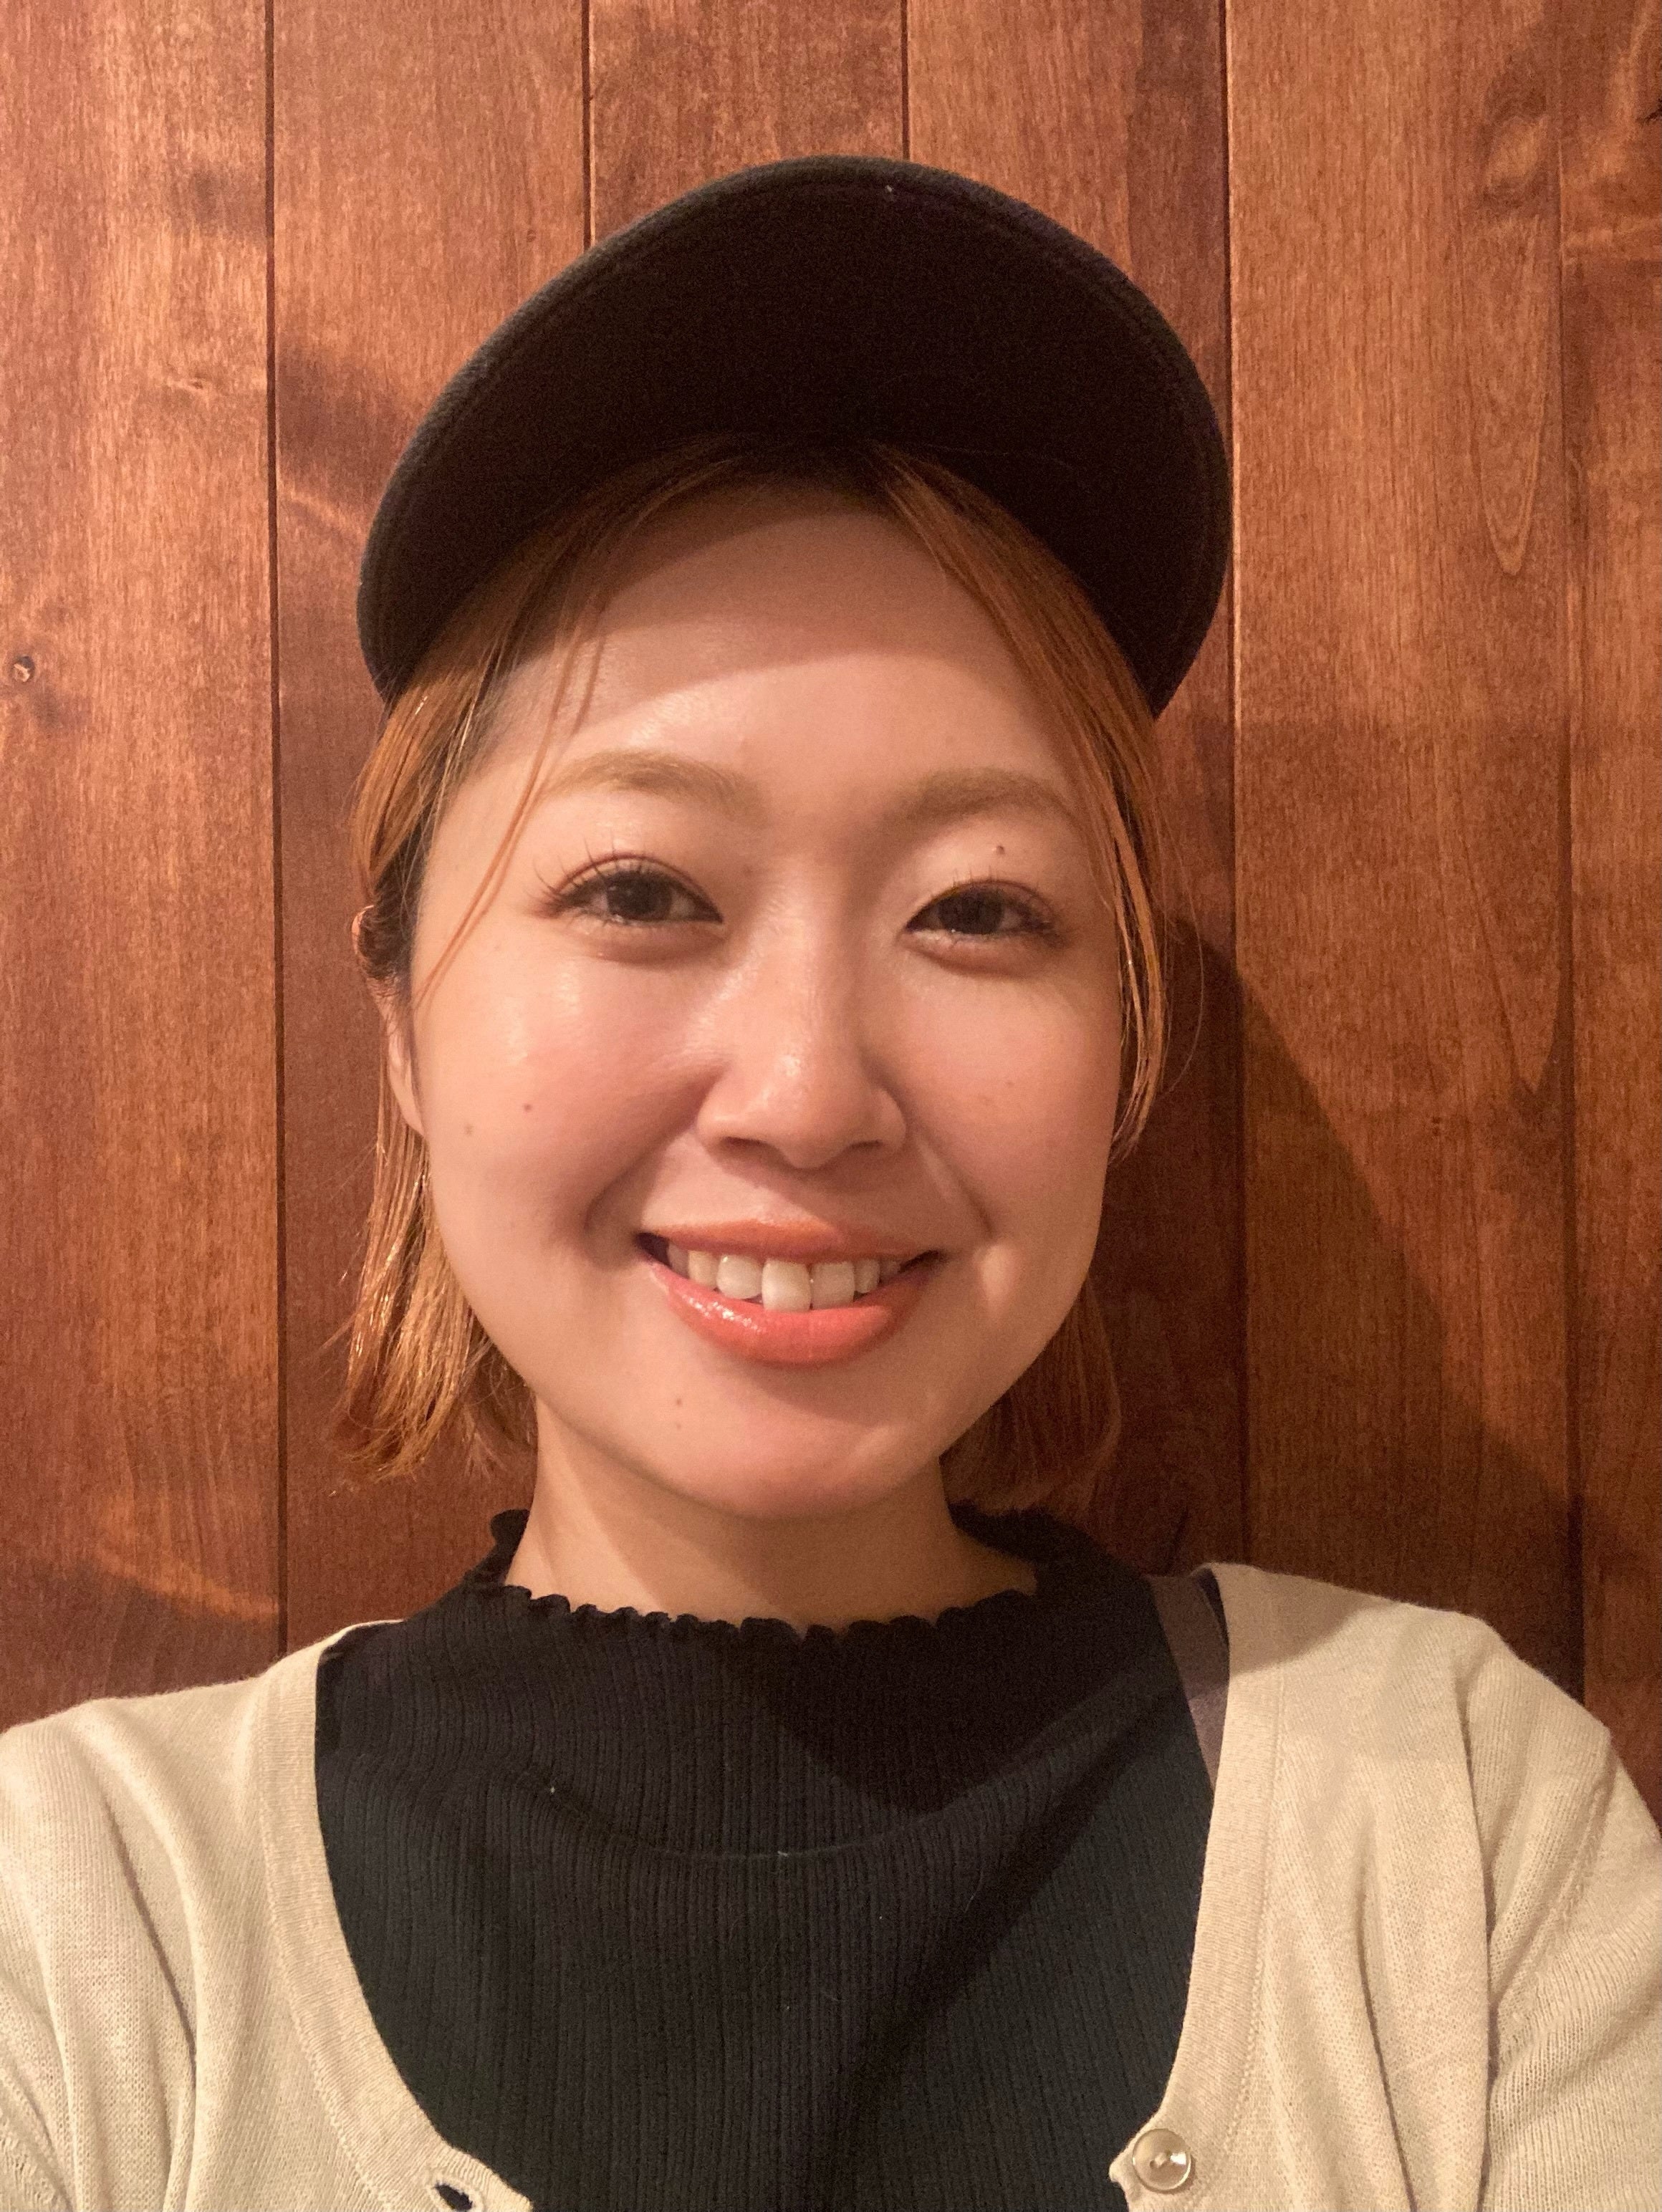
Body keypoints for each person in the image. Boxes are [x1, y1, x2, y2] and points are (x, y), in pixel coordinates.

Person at [1, 156, 1656, 2212]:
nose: (806, 1096)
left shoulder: (1455, 1841)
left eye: (978, 910)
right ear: (406, 1029)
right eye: (640, 891)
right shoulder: (85, 1937)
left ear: (1127, 1050)